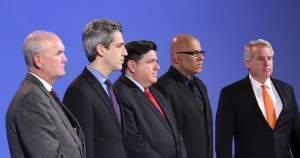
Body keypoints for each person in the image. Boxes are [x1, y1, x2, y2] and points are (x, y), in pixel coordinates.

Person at [6, 30, 85, 158]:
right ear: (38, 60)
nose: (65, 59)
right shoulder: (30, 100)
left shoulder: (42, 94)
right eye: (59, 53)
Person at [216, 39, 300, 158]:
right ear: (247, 62)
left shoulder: (287, 90)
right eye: (260, 58)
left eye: (269, 58)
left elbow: (296, 134)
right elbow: (223, 141)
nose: (267, 63)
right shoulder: (231, 93)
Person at [63, 19, 128, 158]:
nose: (125, 52)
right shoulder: (78, 92)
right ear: (101, 49)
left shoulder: (111, 88)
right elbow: (83, 149)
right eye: (120, 46)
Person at [114, 40, 187, 158]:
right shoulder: (120, 93)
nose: (157, 67)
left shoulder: (156, 92)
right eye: (151, 62)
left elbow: (175, 131)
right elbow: (133, 142)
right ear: (132, 66)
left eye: (157, 62)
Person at [154, 34, 213, 158]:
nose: (201, 58)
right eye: (194, 53)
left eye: (201, 53)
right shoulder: (161, 88)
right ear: (177, 58)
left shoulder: (200, 85)